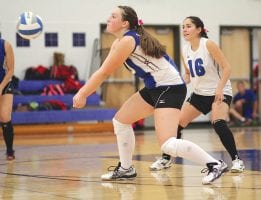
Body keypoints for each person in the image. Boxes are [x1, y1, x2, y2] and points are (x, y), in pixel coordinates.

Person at [73, 6, 227, 184]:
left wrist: (82, 93)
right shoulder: (121, 42)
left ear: (125, 23)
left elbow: (104, 72)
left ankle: (214, 164)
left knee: (167, 143)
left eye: (113, 16)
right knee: (121, 121)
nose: (108, 19)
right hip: (154, 87)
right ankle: (126, 168)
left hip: (170, 88)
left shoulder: (127, 41)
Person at [150, 16, 245, 173]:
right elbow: (188, 74)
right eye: (183, 27)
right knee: (176, 124)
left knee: (218, 122)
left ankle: (237, 161)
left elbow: (227, 67)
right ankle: (166, 159)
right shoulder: (185, 49)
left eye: (188, 26)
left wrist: (220, 89)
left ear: (199, 29)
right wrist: (179, 82)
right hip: (200, 93)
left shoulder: (208, 44)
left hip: (219, 92)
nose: (184, 29)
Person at [0, 38, 15, 160]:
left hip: (5, 83)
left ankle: (10, 150)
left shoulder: (5, 45)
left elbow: (10, 71)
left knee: (5, 117)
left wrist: (0, 87)